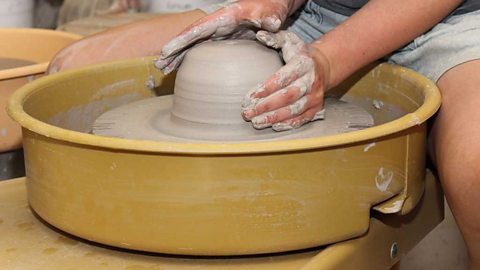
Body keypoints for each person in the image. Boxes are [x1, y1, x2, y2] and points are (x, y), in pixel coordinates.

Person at [49, 0, 480, 268]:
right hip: (313, 12)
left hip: (450, 20)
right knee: (71, 69)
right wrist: (268, 4)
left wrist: (328, 61)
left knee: (475, 167)